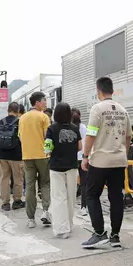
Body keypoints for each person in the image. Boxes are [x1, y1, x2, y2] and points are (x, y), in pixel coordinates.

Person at [81, 77, 132, 248]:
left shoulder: (97, 109)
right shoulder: (123, 110)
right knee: (116, 197)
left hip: (100, 161)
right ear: (112, 90)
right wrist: (123, 154)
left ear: (98, 91)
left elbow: (91, 134)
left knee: (92, 194)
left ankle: (99, 232)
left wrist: (85, 156)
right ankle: (115, 236)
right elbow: (128, 137)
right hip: (119, 160)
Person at [45, 102, 82, 238]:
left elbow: (48, 148)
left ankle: (62, 229)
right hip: (72, 166)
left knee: (58, 197)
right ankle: (70, 225)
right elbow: (79, 146)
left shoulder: (51, 128)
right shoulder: (74, 128)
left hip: (56, 167)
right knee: (71, 196)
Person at [19, 91, 52, 228]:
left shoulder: (22, 118)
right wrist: (49, 152)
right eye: (44, 101)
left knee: (30, 187)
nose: (45, 103)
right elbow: (47, 137)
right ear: (37, 102)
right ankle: (46, 212)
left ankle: (31, 219)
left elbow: (20, 137)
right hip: (42, 156)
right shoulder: (43, 117)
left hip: (27, 156)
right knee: (45, 184)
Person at [0, 102, 25, 211]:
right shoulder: (20, 122)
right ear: (17, 111)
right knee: (18, 179)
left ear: (8, 110)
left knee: (4, 179)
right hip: (16, 155)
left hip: (2, 155)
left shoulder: (0, 122)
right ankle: (17, 201)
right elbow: (22, 139)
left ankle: (5, 203)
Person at [72, 110, 88, 216]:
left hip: (72, 158)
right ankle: (84, 207)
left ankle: (70, 207)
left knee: (71, 183)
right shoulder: (84, 128)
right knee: (84, 184)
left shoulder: (69, 128)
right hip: (83, 158)